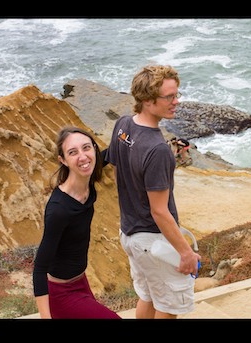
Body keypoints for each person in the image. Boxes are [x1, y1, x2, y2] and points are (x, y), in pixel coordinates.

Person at [105, 64, 198, 319]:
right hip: (153, 240)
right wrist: (185, 252)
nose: (176, 101)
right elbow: (159, 211)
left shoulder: (123, 125)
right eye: (169, 97)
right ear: (147, 100)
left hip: (130, 233)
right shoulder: (157, 149)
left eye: (176, 94)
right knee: (169, 306)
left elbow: (118, 170)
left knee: (148, 295)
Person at [32, 126, 122, 319]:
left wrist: (130, 127)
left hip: (81, 282)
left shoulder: (86, 177)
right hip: (61, 292)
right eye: (73, 152)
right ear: (63, 160)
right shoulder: (59, 209)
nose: (83, 157)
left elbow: (110, 151)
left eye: (86, 148)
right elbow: (39, 267)